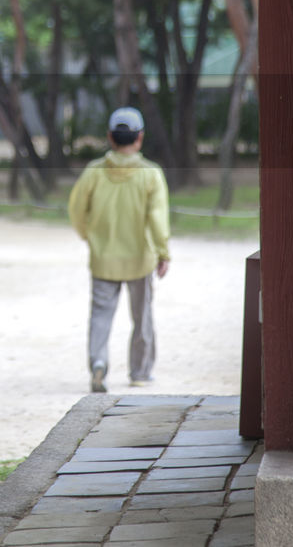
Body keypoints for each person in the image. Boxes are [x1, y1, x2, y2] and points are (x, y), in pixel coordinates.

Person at [67, 107, 171, 393]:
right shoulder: (151, 174)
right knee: (142, 316)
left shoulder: (94, 172)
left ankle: (99, 363)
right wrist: (163, 252)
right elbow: (157, 218)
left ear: (110, 138)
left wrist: (88, 235)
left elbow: (76, 209)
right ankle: (140, 372)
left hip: (104, 258)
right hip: (140, 258)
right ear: (139, 138)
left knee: (101, 314)